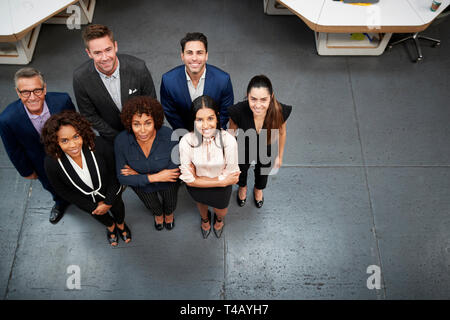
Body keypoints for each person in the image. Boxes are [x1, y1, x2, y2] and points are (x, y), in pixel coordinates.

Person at [42, 110, 131, 247]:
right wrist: (93, 207)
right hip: (89, 203)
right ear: (55, 141)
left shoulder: (99, 145)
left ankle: (120, 224)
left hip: (112, 193)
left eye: (76, 137)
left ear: (82, 133)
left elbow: (115, 174)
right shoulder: (52, 163)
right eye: (64, 140)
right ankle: (111, 227)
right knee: (100, 216)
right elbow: (63, 191)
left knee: (118, 209)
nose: (73, 145)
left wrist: (108, 202)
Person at [0, 67, 75, 224]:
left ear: (45, 88)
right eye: (25, 92)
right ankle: (60, 203)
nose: (32, 97)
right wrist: (26, 171)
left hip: (70, 152)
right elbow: (13, 150)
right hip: (40, 162)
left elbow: (76, 126)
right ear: (17, 92)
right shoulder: (7, 119)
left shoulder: (62, 101)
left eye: (37, 90)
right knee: (51, 185)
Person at [73, 24, 156, 143]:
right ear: (89, 53)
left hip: (143, 131)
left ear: (115, 46)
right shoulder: (80, 78)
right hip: (111, 137)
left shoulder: (138, 67)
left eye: (108, 50)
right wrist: (118, 138)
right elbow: (89, 115)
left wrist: (141, 130)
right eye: (97, 53)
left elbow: (151, 102)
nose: (105, 58)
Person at [114, 96, 180, 231]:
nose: (142, 130)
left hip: (168, 184)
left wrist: (138, 174)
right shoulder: (121, 141)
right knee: (151, 205)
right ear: (129, 124)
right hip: (143, 187)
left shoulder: (169, 135)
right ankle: (158, 215)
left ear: (155, 121)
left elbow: (173, 172)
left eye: (148, 123)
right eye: (136, 124)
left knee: (171, 203)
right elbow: (122, 177)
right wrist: (155, 177)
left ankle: (168, 215)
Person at [179, 95, 240, 239]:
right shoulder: (186, 141)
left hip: (218, 190)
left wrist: (198, 178)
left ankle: (219, 221)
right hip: (203, 187)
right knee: (201, 205)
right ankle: (205, 220)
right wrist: (221, 181)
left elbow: (233, 176)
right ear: (193, 121)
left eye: (210, 118)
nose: (205, 125)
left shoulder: (228, 141)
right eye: (199, 120)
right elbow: (188, 180)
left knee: (221, 211)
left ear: (217, 117)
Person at [228, 75, 292, 208]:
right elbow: (231, 134)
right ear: (247, 95)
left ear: (271, 97)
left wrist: (280, 156)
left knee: (263, 170)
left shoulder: (279, 111)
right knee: (241, 168)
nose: (258, 105)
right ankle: (242, 187)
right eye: (253, 99)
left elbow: (282, 132)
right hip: (243, 145)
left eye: (264, 99)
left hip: (265, 145)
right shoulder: (238, 111)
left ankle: (258, 189)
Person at [160, 32, 234, 131]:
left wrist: (209, 132)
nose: (194, 58)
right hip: (184, 136)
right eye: (189, 53)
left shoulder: (223, 79)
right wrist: (188, 137)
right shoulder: (168, 81)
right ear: (182, 56)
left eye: (199, 53)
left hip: (215, 134)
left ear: (206, 55)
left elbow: (225, 112)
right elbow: (171, 113)